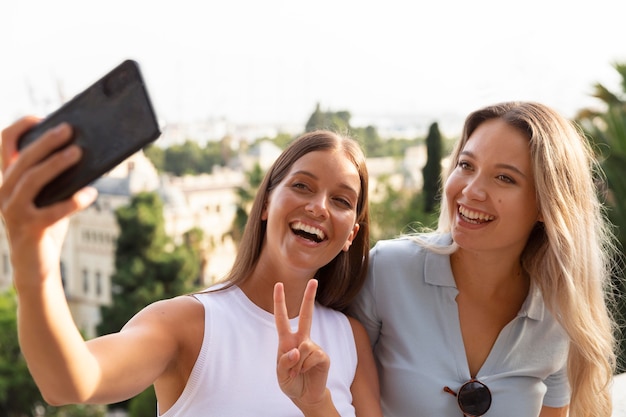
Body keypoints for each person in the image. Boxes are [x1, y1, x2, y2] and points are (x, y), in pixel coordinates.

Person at [0, 119, 382, 417]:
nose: (319, 206)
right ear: (265, 204)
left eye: (341, 200)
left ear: (351, 234)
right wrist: (36, 261)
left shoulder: (351, 340)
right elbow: (67, 382)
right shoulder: (189, 323)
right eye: (302, 186)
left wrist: (318, 407)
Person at [349, 101, 619, 417]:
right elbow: (339, 396)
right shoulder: (386, 271)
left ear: (546, 206)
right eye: (466, 165)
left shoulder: (558, 315)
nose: (472, 190)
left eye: (504, 178)